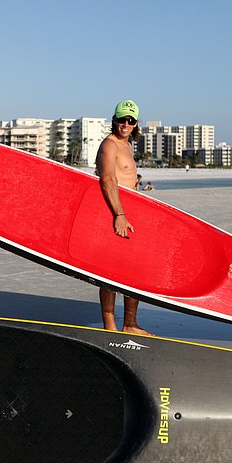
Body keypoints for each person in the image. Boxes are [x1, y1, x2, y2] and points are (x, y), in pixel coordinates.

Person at [94, 100, 149, 335]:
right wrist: (119, 214)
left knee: (133, 271)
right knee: (110, 272)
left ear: (136, 124)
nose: (126, 124)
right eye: (122, 119)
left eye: (131, 120)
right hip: (114, 212)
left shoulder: (126, 146)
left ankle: (130, 324)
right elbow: (107, 179)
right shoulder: (110, 145)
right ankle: (110, 326)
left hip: (129, 214)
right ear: (114, 119)